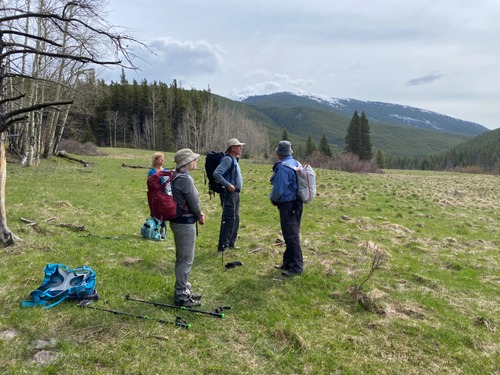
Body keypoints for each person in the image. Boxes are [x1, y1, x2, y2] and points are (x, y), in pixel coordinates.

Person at [170, 148, 205, 307]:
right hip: (185, 223)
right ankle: (181, 295)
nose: (196, 162)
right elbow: (193, 202)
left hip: (179, 221)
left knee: (183, 257)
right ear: (187, 162)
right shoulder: (185, 179)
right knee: (186, 259)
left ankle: (185, 288)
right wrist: (199, 215)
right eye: (194, 159)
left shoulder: (178, 176)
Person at [270, 140, 303, 277]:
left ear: (279, 153)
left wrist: (273, 199)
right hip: (297, 203)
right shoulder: (296, 164)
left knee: (291, 235)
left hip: (287, 205)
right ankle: (287, 263)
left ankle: (296, 267)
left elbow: (279, 190)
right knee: (291, 234)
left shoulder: (283, 168)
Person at [213, 138, 245, 252]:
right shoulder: (227, 160)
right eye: (238, 146)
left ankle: (231, 243)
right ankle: (223, 246)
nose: (240, 148)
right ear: (232, 148)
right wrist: (227, 185)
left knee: (235, 218)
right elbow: (216, 173)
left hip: (235, 194)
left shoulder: (235, 159)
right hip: (229, 194)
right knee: (229, 218)